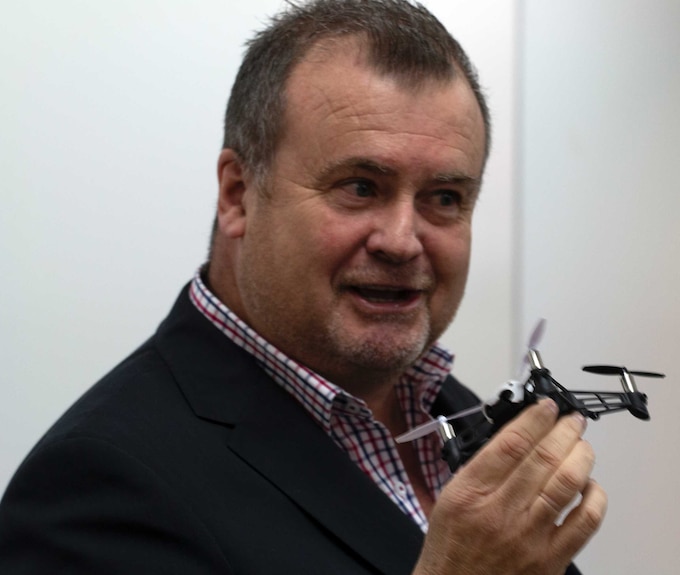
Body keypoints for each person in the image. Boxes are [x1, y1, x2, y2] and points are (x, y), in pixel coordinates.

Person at [0, 1, 606, 573]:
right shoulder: (100, 486)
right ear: (238, 193)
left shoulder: (452, 408)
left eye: (444, 198)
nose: (401, 239)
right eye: (360, 186)